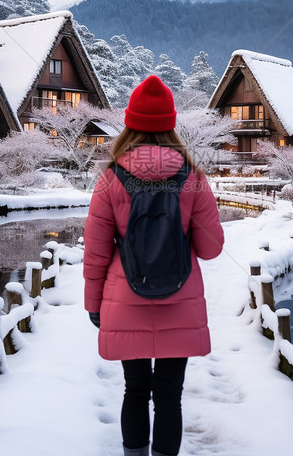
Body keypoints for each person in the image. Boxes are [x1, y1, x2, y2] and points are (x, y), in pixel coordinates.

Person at [83, 75, 224, 456]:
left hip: (125, 296)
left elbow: (95, 253)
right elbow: (211, 249)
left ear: (129, 125)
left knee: (134, 389)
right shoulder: (192, 177)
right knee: (169, 396)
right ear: (170, 126)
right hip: (180, 297)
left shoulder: (110, 178)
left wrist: (93, 305)